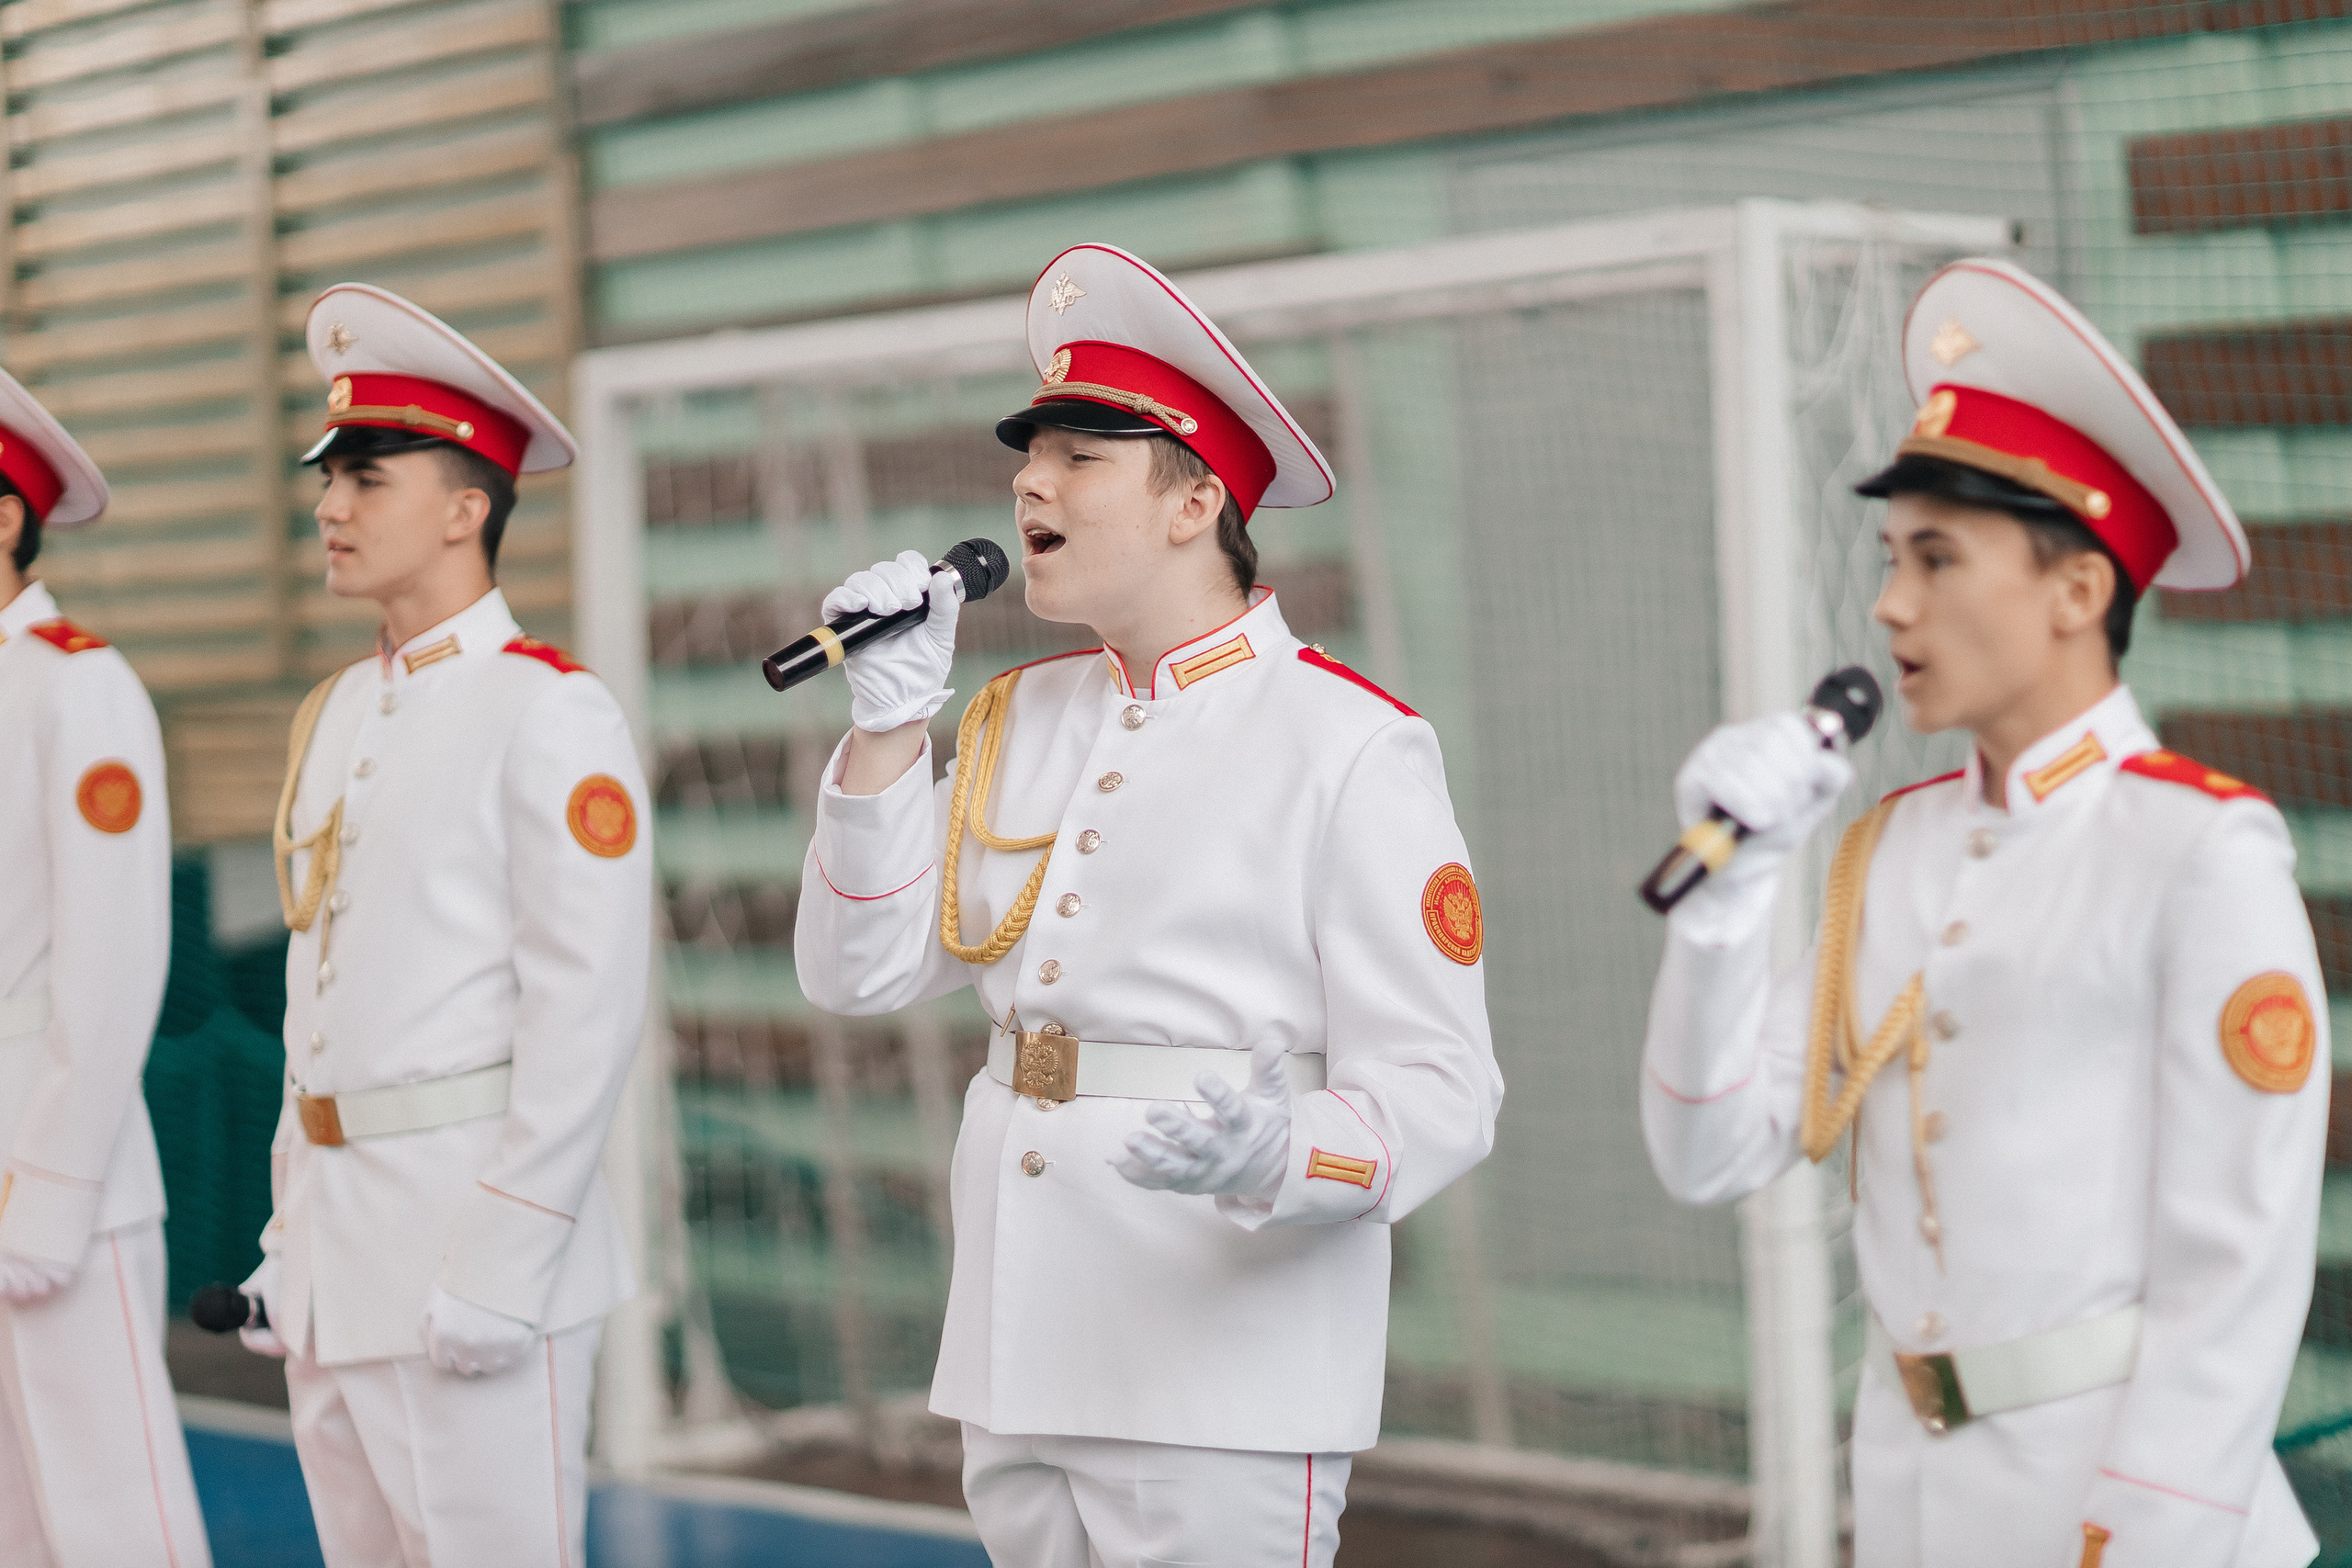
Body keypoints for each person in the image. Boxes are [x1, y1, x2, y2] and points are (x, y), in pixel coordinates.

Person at [794, 243, 1503, 1565]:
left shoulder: (1348, 744)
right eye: (1030, 454)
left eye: (1080, 456)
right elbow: (857, 973)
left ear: (1193, 502)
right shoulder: (1019, 718)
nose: (1028, 482)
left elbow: (1446, 1090)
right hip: (1020, 1349)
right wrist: (889, 733)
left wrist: (1287, 1155)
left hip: (1222, 1361)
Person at [1641, 258, 2325, 1566]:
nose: (1893, 603)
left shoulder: (2198, 850)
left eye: (1939, 558)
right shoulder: (1892, 850)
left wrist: (2144, 1540)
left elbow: (2235, 1266)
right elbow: (1708, 1155)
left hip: (2125, 1507)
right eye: (1892, 557)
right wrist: (1727, 910)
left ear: (2077, 592)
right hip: (1916, 1494)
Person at [239, 284, 650, 1566]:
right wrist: (282, 1241)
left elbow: (586, 1012)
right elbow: (326, 1002)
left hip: (467, 1259)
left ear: (469, 508)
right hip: (335, 1267)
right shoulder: (342, 715)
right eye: (332, 478)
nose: (332, 506)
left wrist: (507, 1262)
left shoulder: (551, 713)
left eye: (369, 476)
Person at [0, 370, 210, 1565]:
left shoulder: (77, 685)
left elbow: (116, 955)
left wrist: (56, 1187)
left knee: (108, 1519)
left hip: (50, 1179)